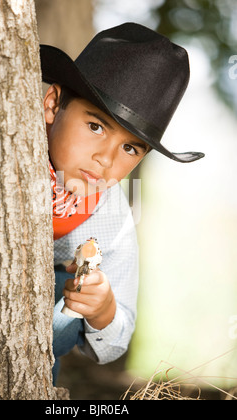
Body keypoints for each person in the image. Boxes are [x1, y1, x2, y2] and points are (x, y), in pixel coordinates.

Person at [40, 22, 205, 384]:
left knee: (58, 314)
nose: (105, 159)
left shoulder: (111, 218)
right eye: (96, 126)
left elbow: (116, 340)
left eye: (130, 148)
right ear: (52, 104)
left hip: (35, 338)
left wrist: (103, 309)